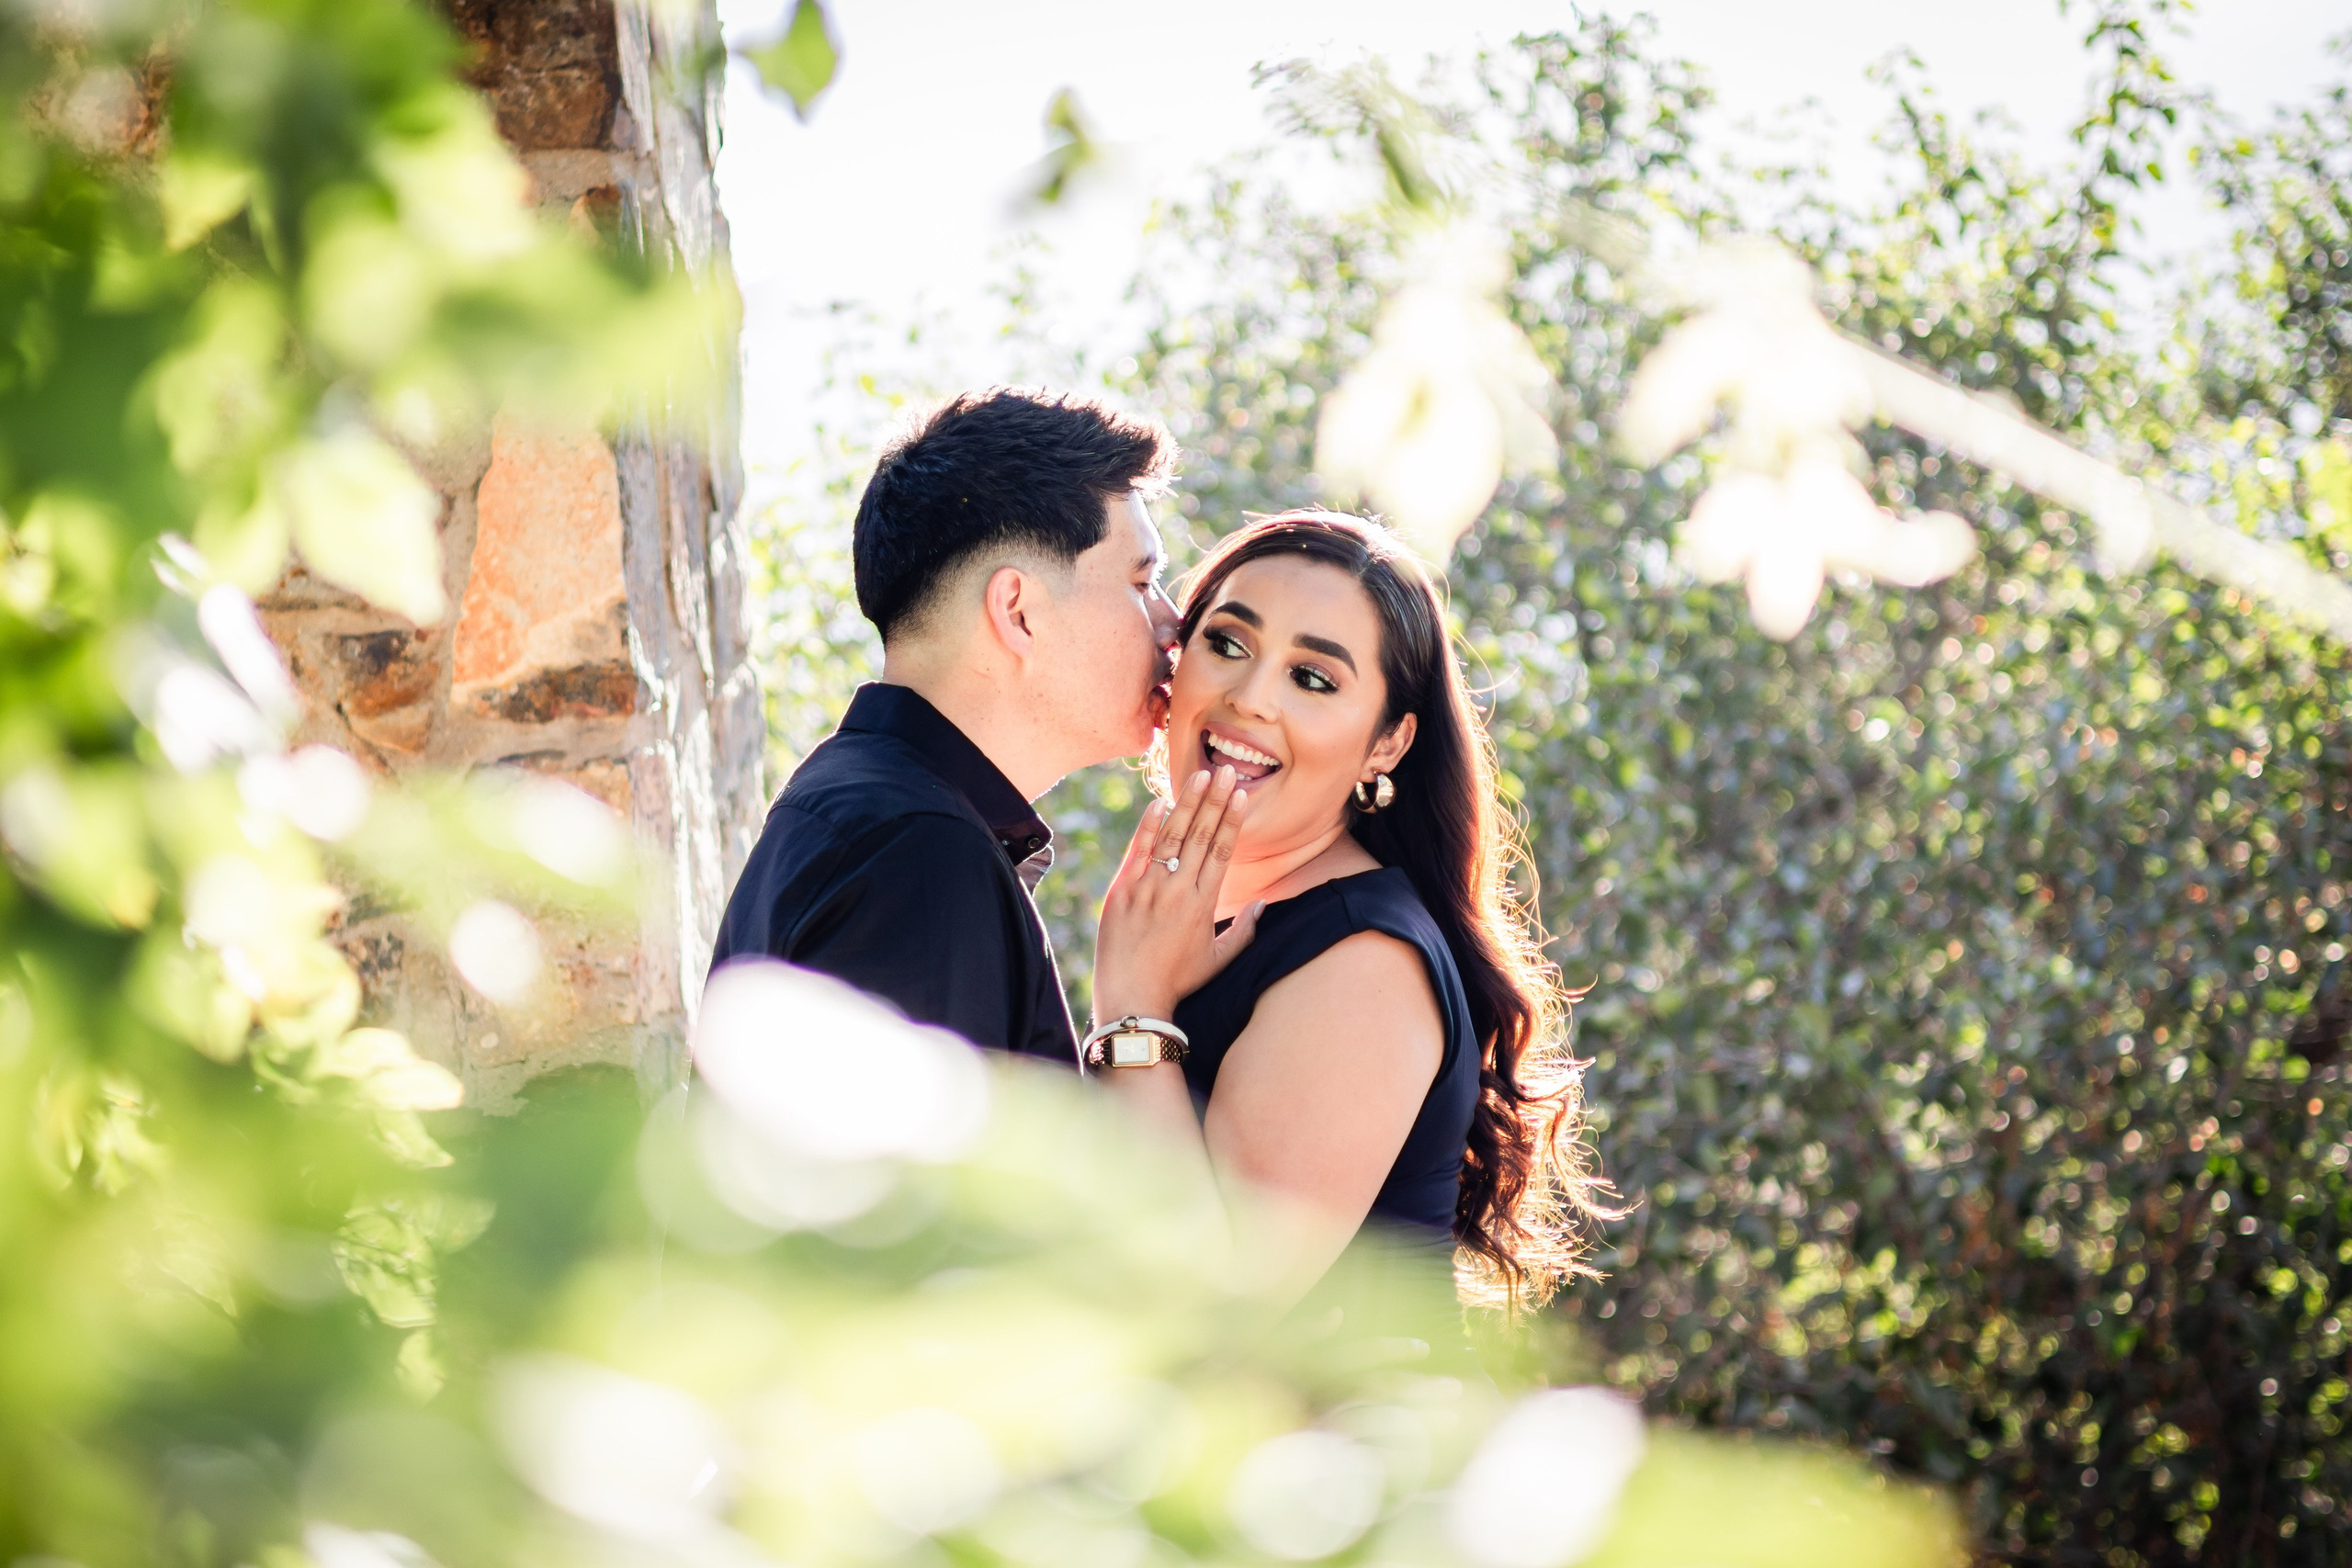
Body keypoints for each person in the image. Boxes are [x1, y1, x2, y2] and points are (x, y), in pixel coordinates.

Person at [1086, 511, 1609, 1305]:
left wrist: (1131, 1009)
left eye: (1314, 679)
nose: (1250, 699)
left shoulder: (1366, 964)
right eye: (1226, 643)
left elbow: (1217, 1306)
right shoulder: (1196, 923)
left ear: (1387, 744)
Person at [710, 387, 1185, 1063]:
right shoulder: (916, 854)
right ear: (1019, 611)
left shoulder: (874, 815)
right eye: (1142, 583)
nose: (1173, 622)